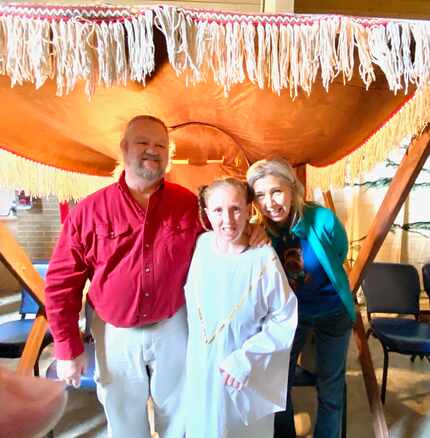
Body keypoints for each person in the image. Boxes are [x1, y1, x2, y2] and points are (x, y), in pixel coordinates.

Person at [45, 115, 266, 438]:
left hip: (174, 326)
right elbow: (61, 282)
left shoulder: (189, 204)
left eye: (160, 145)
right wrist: (67, 347)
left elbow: (222, 235)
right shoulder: (89, 212)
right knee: (123, 421)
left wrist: (252, 230)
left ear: (168, 154)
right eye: (143, 143)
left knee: (180, 416)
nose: (152, 151)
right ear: (124, 149)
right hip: (114, 333)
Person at [246, 158, 355, 438]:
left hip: (333, 312)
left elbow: (339, 253)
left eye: (276, 191)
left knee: (330, 388)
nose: (270, 202)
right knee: (278, 384)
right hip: (289, 317)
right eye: (260, 195)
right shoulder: (260, 232)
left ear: (293, 189)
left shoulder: (323, 220)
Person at [184, 177, 298, 438]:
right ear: (206, 213)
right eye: (218, 210)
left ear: (249, 210)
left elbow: (284, 317)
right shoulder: (202, 246)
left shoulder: (263, 258)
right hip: (201, 367)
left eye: (236, 209)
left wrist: (246, 360)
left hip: (240, 372)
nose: (228, 219)